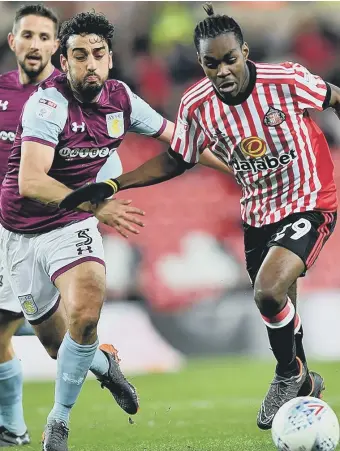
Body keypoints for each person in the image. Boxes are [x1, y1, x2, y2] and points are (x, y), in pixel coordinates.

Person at [61, 3, 339, 431]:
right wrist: (116, 185)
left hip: (311, 198)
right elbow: (177, 160)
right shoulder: (196, 104)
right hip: (259, 210)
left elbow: (335, 97)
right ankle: (301, 379)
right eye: (212, 63)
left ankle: (288, 376)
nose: (223, 71)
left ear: (245, 52)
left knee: (267, 291)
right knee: (279, 304)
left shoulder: (286, 79)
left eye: (230, 59)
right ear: (201, 64)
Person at [0, 5, 132, 448]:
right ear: (13, 42)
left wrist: (98, 198)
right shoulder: (6, 94)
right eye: (28, 35)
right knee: (56, 345)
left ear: (56, 48)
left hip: (63, 221)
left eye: (44, 36)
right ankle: (100, 362)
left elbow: (121, 150)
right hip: (12, 229)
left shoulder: (83, 101)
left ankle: (23, 426)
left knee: (74, 314)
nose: (35, 44)